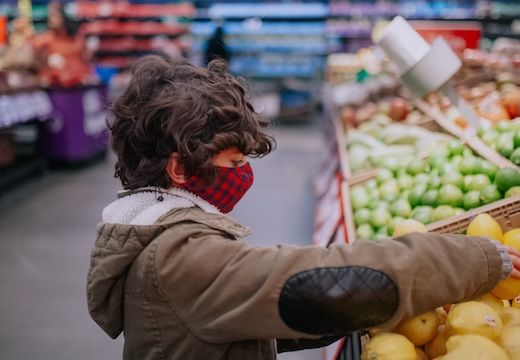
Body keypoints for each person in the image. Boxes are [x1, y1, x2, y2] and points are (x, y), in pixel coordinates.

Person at [86, 55, 520, 360]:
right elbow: (311, 282)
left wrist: (361, 311)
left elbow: (254, 319)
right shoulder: (181, 257)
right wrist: (474, 258)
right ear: (180, 169)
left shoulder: (160, 235)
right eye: (234, 163)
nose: (243, 174)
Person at [31, 1, 95, 87]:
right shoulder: (48, 37)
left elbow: (85, 58)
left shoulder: (76, 36)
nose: (51, 19)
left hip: (79, 80)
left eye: (54, 15)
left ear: (62, 16)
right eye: (50, 16)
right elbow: (34, 50)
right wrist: (46, 61)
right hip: (57, 82)